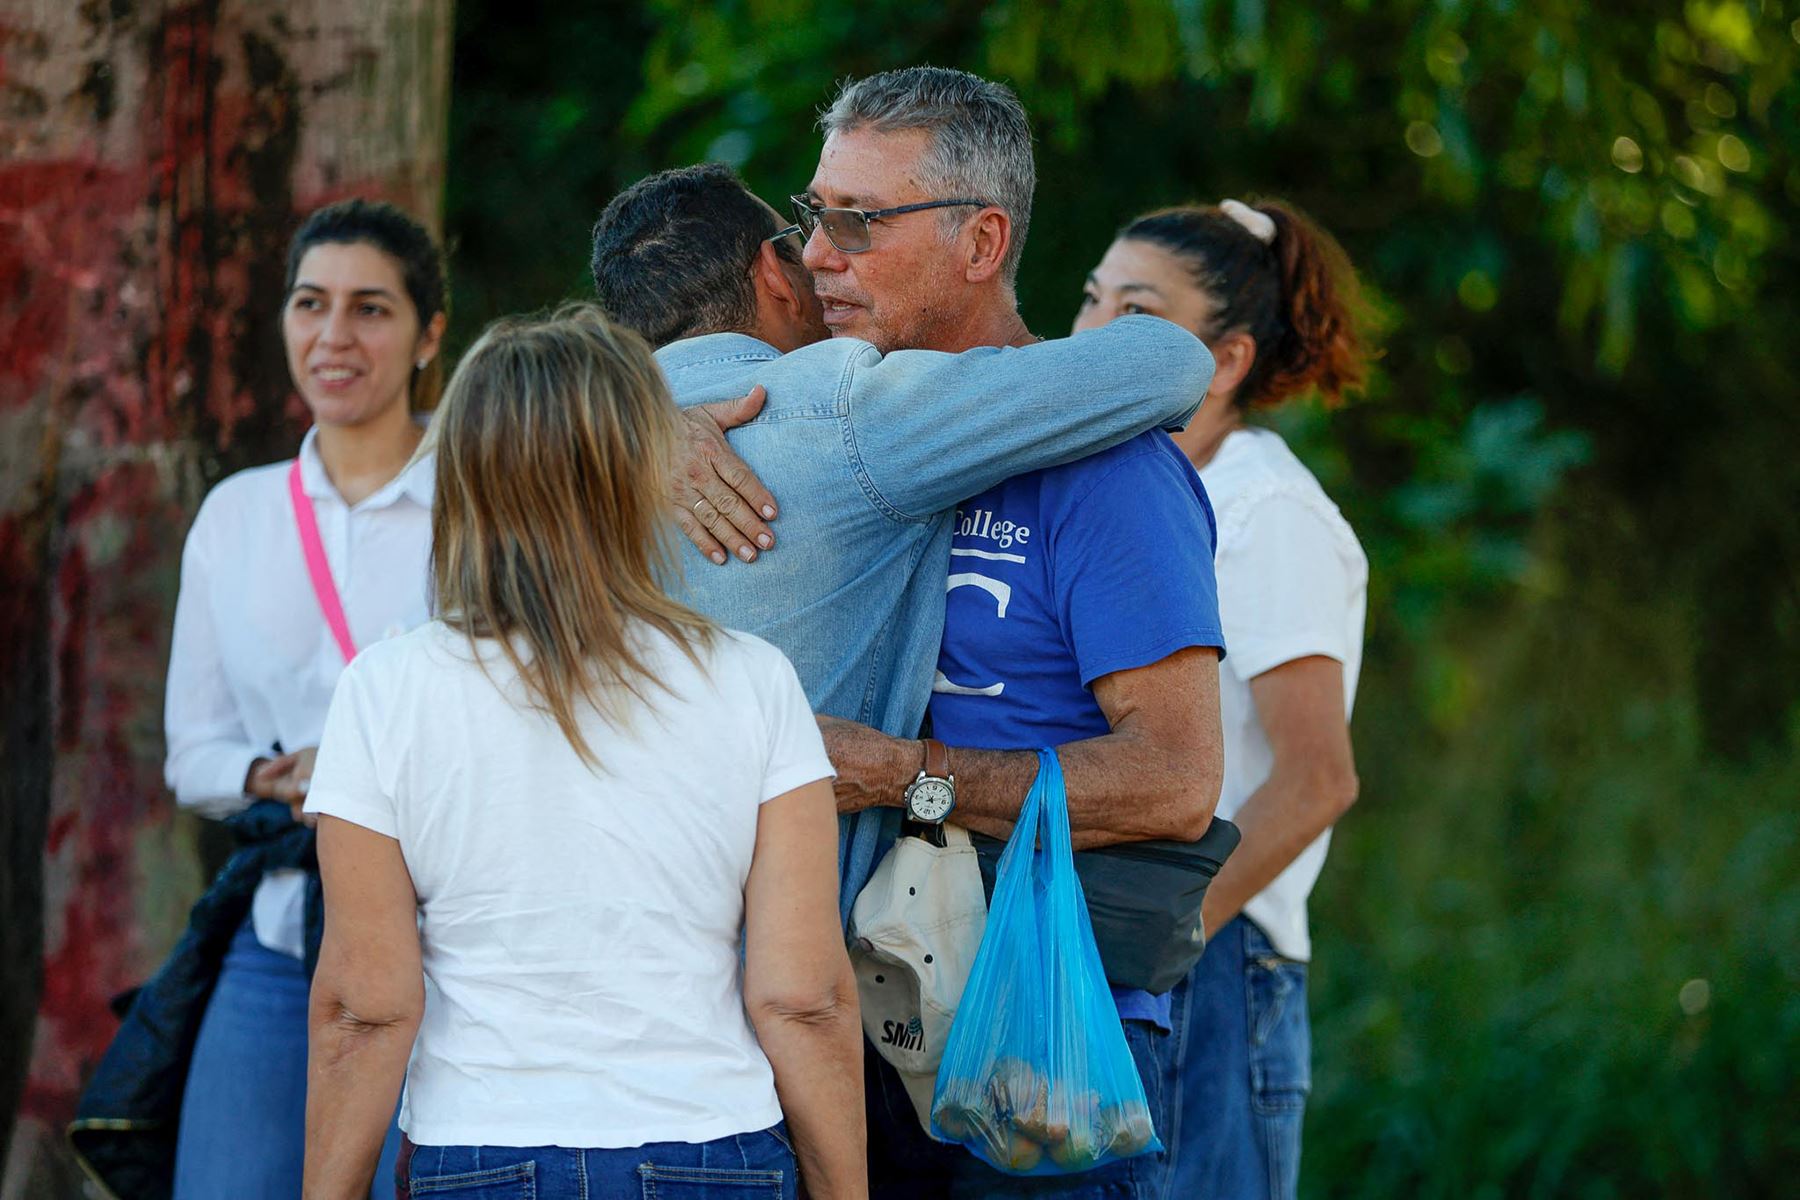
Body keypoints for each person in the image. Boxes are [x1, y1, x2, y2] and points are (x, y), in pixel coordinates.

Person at [589, 75, 1216, 929]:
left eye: (858, 221)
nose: (814, 255)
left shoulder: (1108, 463)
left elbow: (1176, 785)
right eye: (811, 216)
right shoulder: (777, 426)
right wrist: (636, 417)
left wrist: (908, 776)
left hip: (1041, 1007)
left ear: (981, 243)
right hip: (848, 1011)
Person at [299, 305, 865, 1200]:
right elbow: (804, 996)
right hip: (712, 1154)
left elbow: (365, 1008)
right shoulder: (754, 683)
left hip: (478, 1154)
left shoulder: (386, 691)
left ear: (466, 475)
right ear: (640, 470)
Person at [1074, 199, 1371, 1198]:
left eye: (1137, 308)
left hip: (1209, 959)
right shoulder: (1122, 488)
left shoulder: (1261, 509)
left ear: (1228, 359)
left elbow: (1317, 777)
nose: (1094, 330)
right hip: (1111, 950)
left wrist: (1165, 939)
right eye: (1091, 298)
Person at [161, 198, 445, 1199]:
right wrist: (264, 777)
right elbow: (191, 751)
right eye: (309, 304)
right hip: (279, 938)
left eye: (371, 309)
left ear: (428, 336)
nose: (333, 337)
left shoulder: (480, 496)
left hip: (444, 950)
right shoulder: (236, 516)